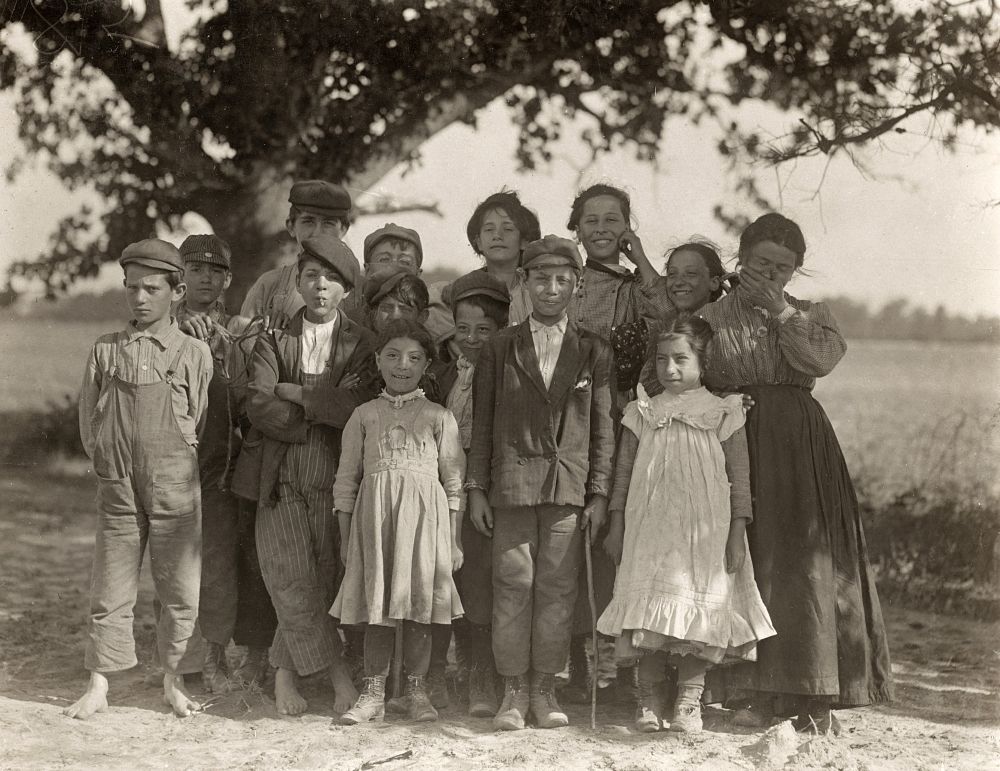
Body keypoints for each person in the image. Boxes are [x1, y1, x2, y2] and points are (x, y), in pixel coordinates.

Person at [697, 212, 893, 734]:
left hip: (802, 449)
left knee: (805, 567)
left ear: (795, 272)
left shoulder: (811, 314)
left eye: (783, 268)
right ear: (741, 259)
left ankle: (812, 691)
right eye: (762, 264)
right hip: (737, 442)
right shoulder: (712, 318)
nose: (771, 275)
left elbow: (818, 362)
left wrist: (781, 313)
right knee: (751, 561)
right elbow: (698, 375)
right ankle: (753, 691)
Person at [597, 317, 776, 733]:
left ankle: (688, 702)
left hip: (705, 532)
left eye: (681, 359)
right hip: (650, 529)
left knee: (700, 609)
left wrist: (736, 533)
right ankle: (647, 699)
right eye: (661, 360)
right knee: (648, 616)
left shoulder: (722, 411)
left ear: (702, 361)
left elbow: (740, 478)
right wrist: (617, 525)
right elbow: (622, 476)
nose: (670, 369)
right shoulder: (642, 410)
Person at [466, 235, 616, 731]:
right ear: (523, 283)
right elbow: (483, 421)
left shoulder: (594, 349)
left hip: (569, 489)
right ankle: (512, 690)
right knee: (513, 584)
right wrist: (477, 489)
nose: (551, 289)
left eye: (562, 280)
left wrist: (598, 492)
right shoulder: (499, 347)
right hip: (510, 485)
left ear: (577, 284)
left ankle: (544, 687)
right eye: (541, 279)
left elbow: (601, 428)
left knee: (558, 587)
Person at [67, 239, 213, 719]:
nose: (139, 298)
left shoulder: (193, 352)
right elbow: (90, 421)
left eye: (151, 288)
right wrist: (110, 463)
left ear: (177, 291)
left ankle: (174, 680)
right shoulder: (106, 350)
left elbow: (199, 420)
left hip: (174, 482)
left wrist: (170, 463)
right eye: (131, 288)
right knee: (109, 584)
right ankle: (99, 683)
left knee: (179, 585)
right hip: (118, 484)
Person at [244, 233, 378, 715]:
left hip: (337, 472)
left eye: (332, 280)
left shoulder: (362, 344)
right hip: (278, 475)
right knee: (288, 575)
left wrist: (299, 394)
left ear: (347, 290)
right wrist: (317, 414)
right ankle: (339, 675)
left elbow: (357, 406)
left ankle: (284, 674)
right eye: (311, 277)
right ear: (297, 283)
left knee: (322, 577)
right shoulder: (272, 339)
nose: (321, 287)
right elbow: (259, 403)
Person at [563, 183, 672, 706]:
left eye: (613, 220)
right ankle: (579, 668)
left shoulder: (635, 288)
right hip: (562, 421)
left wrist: (642, 258)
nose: (601, 229)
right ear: (576, 229)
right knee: (570, 534)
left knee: (617, 538)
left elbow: (671, 319)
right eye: (591, 220)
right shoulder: (559, 280)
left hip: (620, 417)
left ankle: (624, 670)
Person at [334, 320, 465, 725]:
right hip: (375, 526)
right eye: (392, 355)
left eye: (413, 357)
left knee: (421, 609)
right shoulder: (362, 416)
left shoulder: (439, 417)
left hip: (426, 527)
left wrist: (454, 541)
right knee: (379, 608)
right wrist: (345, 539)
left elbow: (454, 482)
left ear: (427, 364)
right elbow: (345, 481)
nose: (402, 365)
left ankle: (415, 691)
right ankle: (373, 693)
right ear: (377, 360)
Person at [175, 234, 277, 692]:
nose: (205, 278)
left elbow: (245, 395)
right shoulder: (161, 321)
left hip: (223, 462)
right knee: (174, 564)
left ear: (228, 278)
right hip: (174, 463)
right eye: (195, 269)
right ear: (179, 275)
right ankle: (182, 660)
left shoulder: (237, 330)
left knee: (218, 563)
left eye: (215, 271)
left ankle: (215, 656)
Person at [426, 271, 512, 717]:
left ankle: (483, 672)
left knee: (478, 579)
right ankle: (439, 669)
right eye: (463, 329)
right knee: (441, 576)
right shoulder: (442, 376)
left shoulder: (509, 374)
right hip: (439, 490)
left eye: (484, 330)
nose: (473, 339)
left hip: (486, 489)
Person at [425, 190, 540, 347]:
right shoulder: (455, 292)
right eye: (488, 229)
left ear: (524, 241)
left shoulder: (537, 292)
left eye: (507, 229)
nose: (497, 235)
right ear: (478, 241)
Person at [239, 180, 353, 329]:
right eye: (308, 221)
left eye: (328, 223)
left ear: (343, 229)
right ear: (291, 226)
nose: (317, 232)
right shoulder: (269, 285)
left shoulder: (359, 290)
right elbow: (242, 343)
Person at [340, 223, 425, 327]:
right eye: (384, 259)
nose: (394, 267)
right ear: (367, 270)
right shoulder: (346, 325)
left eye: (405, 262)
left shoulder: (428, 325)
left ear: (418, 274)